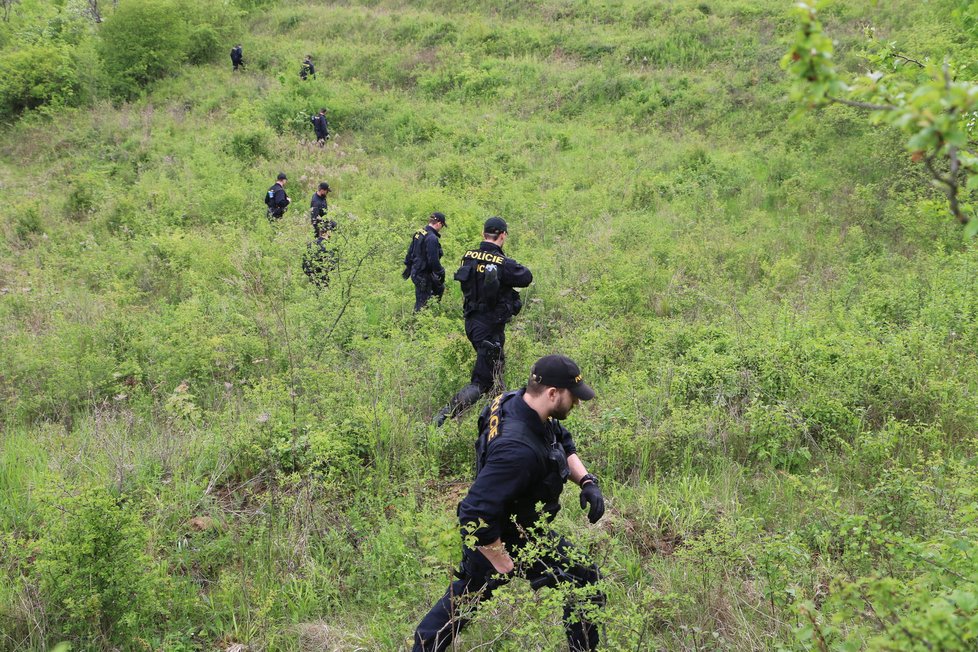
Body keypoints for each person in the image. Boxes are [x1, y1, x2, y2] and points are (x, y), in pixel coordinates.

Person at [413, 355, 606, 652]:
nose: (577, 404)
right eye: (573, 397)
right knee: (463, 603)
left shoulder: (515, 401)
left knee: (584, 577)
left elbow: (559, 439)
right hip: (496, 537)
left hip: (526, 528)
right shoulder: (516, 450)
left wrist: (586, 481)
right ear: (552, 393)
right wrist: (502, 560)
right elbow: (474, 513)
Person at [434, 216, 531, 425]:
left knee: (496, 371)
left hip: (472, 323)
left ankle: (499, 420)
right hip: (489, 327)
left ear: (483, 234)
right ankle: (443, 418)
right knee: (482, 381)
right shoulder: (502, 263)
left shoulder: (468, 256)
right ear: (503, 235)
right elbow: (526, 277)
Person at [403, 212, 447, 312]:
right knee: (422, 303)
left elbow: (410, 252)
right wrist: (440, 272)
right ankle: (418, 323)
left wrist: (408, 267)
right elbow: (433, 260)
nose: (441, 228)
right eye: (442, 226)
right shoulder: (432, 238)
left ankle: (432, 315)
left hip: (417, 271)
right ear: (439, 223)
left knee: (438, 289)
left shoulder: (420, 232)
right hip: (423, 274)